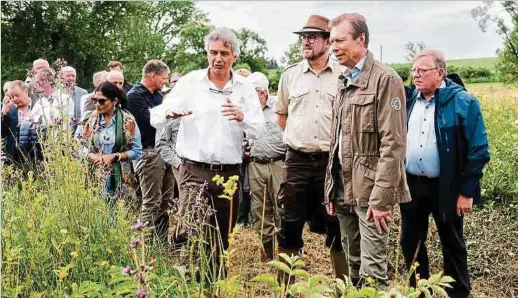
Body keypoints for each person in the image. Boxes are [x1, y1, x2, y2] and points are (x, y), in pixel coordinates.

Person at [149, 27, 264, 276]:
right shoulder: (191, 82)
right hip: (194, 171)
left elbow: (258, 130)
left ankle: (216, 285)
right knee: (192, 234)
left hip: (229, 174)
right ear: (206, 53)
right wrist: (169, 113)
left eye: (224, 52)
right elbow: (156, 115)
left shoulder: (244, 88)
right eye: (213, 52)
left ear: (234, 54)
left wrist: (243, 117)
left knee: (222, 237)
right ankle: (194, 285)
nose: (218, 58)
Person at [324, 13, 410, 287]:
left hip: (371, 190)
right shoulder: (344, 80)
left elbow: (393, 144)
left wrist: (382, 198)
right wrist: (330, 187)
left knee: (373, 272)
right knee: (353, 264)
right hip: (343, 188)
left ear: (361, 39)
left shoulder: (385, 80)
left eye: (340, 40)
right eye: (331, 41)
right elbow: (337, 141)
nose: (333, 47)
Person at [400, 49, 490, 298]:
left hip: (446, 185)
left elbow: (478, 149)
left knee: (451, 242)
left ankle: (458, 293)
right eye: (413, 70)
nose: (416, 75)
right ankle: (419, 290)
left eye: (422, 70)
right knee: (411, 241)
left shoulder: (464, 102)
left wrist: (467, 191)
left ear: (440, 73)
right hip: (412, 185)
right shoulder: (409, 99)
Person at [274, 14, 346, 285]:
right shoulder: (290, 76)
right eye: (303, 37)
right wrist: (301, 138)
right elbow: (282, 115)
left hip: (332, 161)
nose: (306, 41)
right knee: (289, 220)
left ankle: (342, 287)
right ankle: (286, 287)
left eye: (312, 37)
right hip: (297, 159)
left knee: (337, 222)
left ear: (328, 42)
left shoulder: (343, 76)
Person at [126, 59, 173, 241]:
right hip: (147, 153)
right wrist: (166, 114)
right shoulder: (134, 96)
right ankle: (141, 243)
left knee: (166, 201)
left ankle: (160, 244)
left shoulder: (158, 96)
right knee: (151, 201)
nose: (165, 82)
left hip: (163, 151)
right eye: (163, 78)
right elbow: (149, 123)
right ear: (153, 76)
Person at [81, 81, 142, 204]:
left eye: (102, 101)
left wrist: (115, 156)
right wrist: (90, 155)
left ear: (114, 101)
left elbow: (137, 151)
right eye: (95, 100)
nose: (97, 104)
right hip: (95, 174)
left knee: (121, 212)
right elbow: (79, 145)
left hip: (122, 176)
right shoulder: (91, 119)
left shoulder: (128, 121)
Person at [246, 72, 285, 261]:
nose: (254, 98)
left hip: (278, 162)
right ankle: (267, 251)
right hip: (255, 165)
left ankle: (287, 249)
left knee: (282, 205)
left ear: (264, 92)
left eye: (257, 93)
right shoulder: (246, 110)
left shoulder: (279, 106)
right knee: (259, 208)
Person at [1, 80, 41, 167]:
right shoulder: (10, 110)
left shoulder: (39, 106)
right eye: (12, 97)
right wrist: (4, 114)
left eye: (17, 95)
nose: (15, 99)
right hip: (13, 159)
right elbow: (2, 133)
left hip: (35, 157)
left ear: (26, 91)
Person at [31, 68, 75, 133]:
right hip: (42, 140)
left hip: (59, 139)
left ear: (45, 82)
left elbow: (62, 121)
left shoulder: (65, 99)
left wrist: (39, 119)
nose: (35, 86)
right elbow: (30, 119)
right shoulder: (39, 102)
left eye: (37, 82)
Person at [61, 66, 88, 133]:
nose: (71, 78)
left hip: (78, 130)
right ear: (61, 77)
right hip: (61, 131)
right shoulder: (56, 93)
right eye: (68, 76)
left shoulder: (83, 92)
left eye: (73, 76)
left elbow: (86, 113)